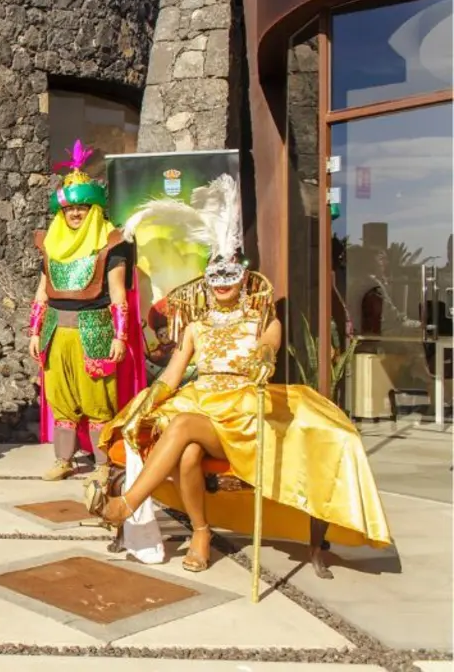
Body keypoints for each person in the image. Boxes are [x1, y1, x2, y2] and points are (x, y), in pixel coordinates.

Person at [99, 174, 393, 574]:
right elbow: (172, 376)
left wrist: (262, 360)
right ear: (207, 281)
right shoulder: (195, 328)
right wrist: (149, 399)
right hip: (201, 403)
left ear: (242, 279)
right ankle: (201, 534)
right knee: (186, 452)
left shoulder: (261, 320)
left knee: (184, 427)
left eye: (230, 277)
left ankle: (127, 504)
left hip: (241, 414)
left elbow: (269, 344)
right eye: (216, 278)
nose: (222, 286)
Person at [28, 140, 146, 483]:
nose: (75, 213)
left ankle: (103, 463)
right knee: (61, 399)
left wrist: (120, 335)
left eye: (81, 207)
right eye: (69, 209)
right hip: (55, 331)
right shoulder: (50, 245)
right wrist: (35, 330)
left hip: (93, 329)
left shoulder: (110, 245)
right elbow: (42, 292)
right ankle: (63, 459)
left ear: (93, 208)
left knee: (98, 401)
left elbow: (118, 295)